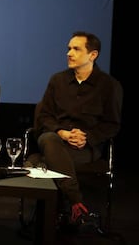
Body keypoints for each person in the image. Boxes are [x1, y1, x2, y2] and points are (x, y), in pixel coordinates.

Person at [34, 31, 122, 228]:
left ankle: (49, 220)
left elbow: (112, 124)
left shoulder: (109, 85)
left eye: (76, 49)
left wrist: (87, 137)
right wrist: (61, 132)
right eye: (68, 49)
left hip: (84, 147)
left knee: (40, 163)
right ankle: (76, 201)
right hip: (53, 138)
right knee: (49, 140)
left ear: (93, 55)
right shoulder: (57, 80)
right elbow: (44, 116)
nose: (69, 53)